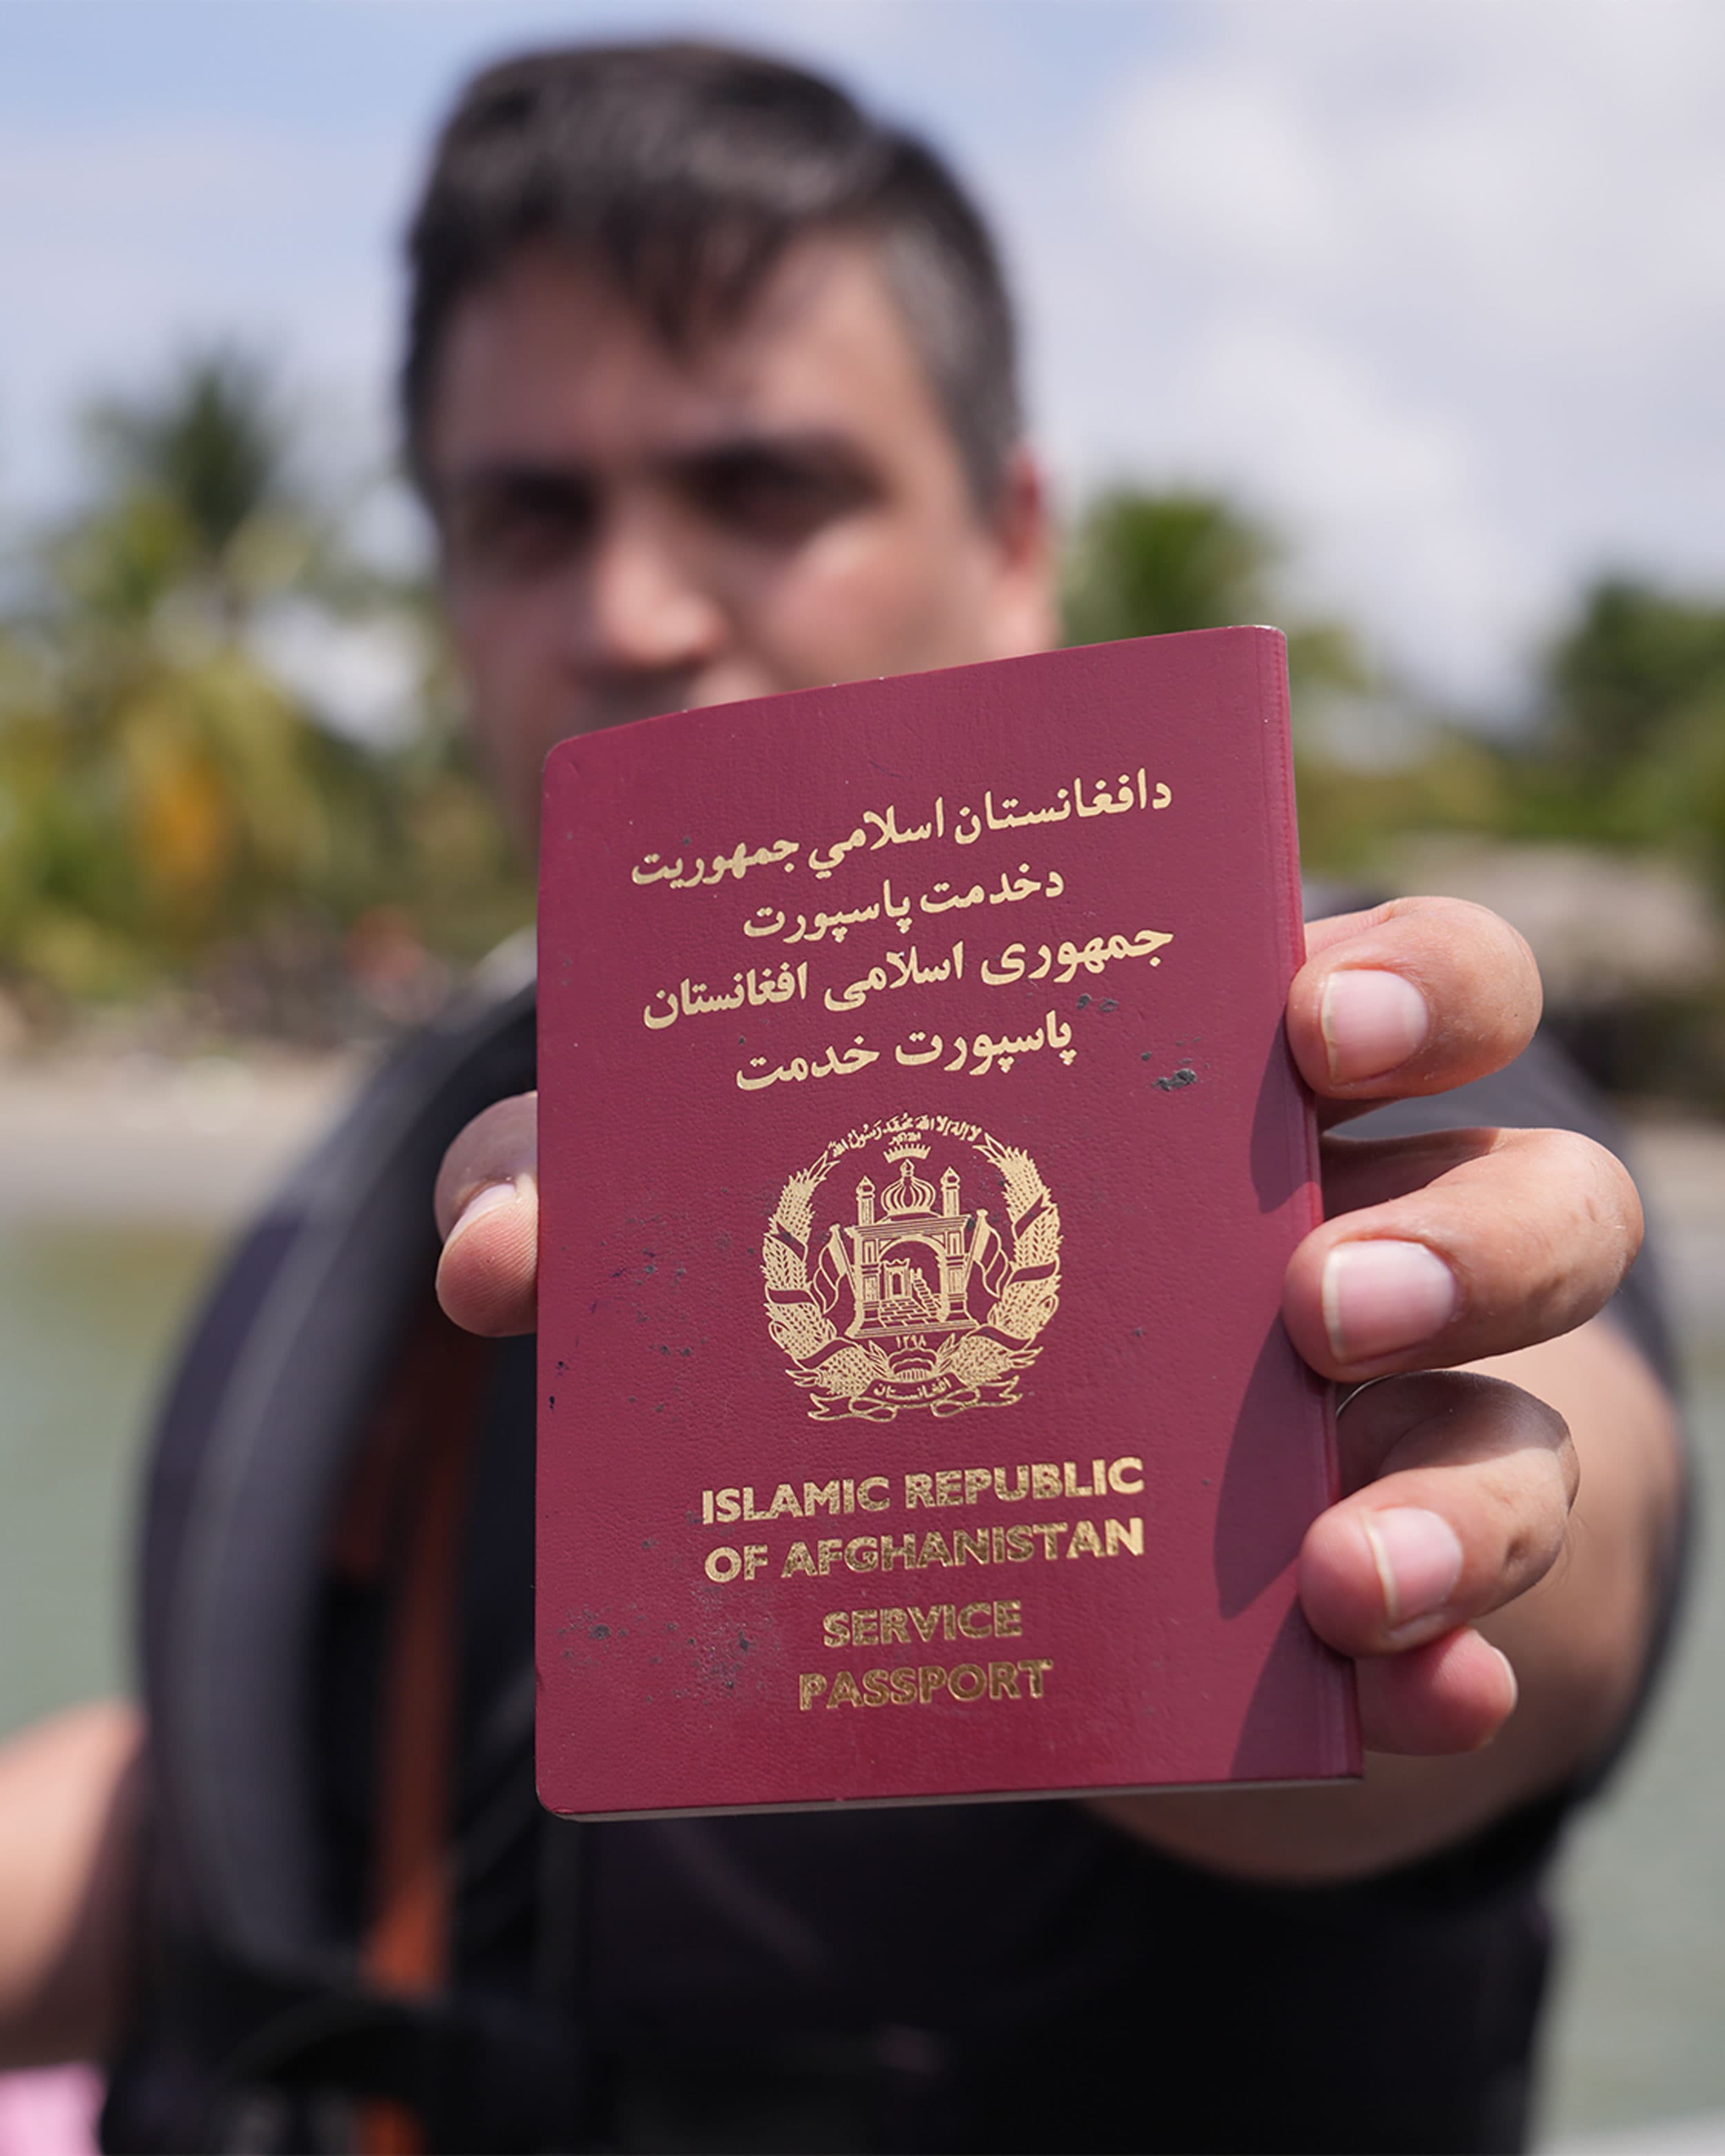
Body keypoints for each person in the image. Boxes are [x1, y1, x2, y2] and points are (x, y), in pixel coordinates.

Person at [0, 40, 1685, 2155]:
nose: (630, 613)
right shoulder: (459, 1121)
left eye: (765, 488)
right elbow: (241, 1801)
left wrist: (1406, 1531)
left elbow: (1573, 1522)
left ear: (1011, 539)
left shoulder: (1293, 1042)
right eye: (529, 517)